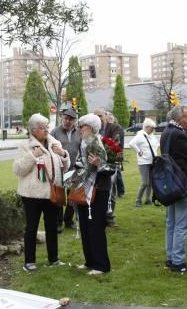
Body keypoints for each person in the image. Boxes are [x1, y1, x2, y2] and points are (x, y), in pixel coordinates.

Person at [13, 113, 70, 272]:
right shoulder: (25, 146)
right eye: (42, 127)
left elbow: (65, 166)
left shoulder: (54, 143)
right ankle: (29, 261)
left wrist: (64, 155)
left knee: (52, 226)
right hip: (31, 195)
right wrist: (32, 156)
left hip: (51, 193)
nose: (46, 130)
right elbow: (18, 170)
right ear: (33, 130)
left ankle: (54, 259)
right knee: (31, 228)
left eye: (47, 126)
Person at [72, 113, 113, 274]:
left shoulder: (96, 143)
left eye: (83, 126)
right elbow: (81, 164)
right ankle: (90, 261)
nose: (80, 129)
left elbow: (110, 168)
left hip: (98, 189)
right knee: (85, 226)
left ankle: (101, 265)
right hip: (84, 188)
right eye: (80, 126)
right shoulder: (84, 142)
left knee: (95, 227)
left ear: (91, 128)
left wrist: (99, 163)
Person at [160, 105, 187, 273]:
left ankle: (171, 258)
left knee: (171, 223)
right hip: (182, 184)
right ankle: (178, 262)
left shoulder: (166, 132)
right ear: (178, 118)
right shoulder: (178, 135)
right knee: (181, 225)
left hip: (170, 184)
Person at [50, 107, 81, 231]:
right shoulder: (55, 132)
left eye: (70, 119)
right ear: (62, 118)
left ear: (74, 121)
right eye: (66, 118)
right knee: (59, 197)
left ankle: (69, 220)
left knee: (73, 197)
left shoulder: (79, 132)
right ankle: (58, 222)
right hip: (59, 169)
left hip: (74, 169)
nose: (67, 121)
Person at [128, 117, 160, 206]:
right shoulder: (140, 136)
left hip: (152, 161)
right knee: (145, 182)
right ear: (146, 127)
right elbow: (131, 144)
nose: (153, 130)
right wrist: (139, 151)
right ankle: (138, 200)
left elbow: (157, 145)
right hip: (143, 162)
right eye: (151, 128)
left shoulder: (152, 136)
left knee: (150, 182)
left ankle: (147, 199)